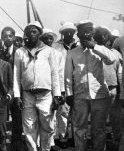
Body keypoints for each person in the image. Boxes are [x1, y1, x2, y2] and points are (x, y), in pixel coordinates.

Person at [65, 20, 116, 151]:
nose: (87, 33)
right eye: (83, 31)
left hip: (99, 95)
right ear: (78, 33)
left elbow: (111, 59)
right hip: (80, 96)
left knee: (98, 129)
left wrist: (94, 47)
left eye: (89, 30)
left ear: (93, 32)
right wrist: (69, 94)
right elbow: (68, 76)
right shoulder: (72, 52)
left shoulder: (100, 48)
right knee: (79, 129)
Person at [14, 21, 62, 151]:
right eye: (28, 31)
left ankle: (45, 149)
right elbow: (16, 75)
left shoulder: (48, 51)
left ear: (40, 34)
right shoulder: (20, 52)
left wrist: (56, 95)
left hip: (45, 95)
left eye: (34, 31)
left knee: (47, 126)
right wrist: (17, 95)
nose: (31, 34)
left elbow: (54, 74)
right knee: (29, 127)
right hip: (28, 95)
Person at [94, 26, 123, 149]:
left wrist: (121, 92)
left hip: (113, 89)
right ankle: (101, 145)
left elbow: (120, 74)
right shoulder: (92, 51)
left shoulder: (116, 53)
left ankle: (117, 140)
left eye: (105, 36)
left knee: (115, 117)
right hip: (97, 90)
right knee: (99, 120)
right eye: (100, 36)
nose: (103, 38)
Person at [51, 22, 78, 148]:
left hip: (77, 83)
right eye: (66, 31)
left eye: (71, 31)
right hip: (63, 83)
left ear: (74, 33)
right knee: (63, 112)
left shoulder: (78, 45)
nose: (68, 33)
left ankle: (76, 138)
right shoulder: (56, 46)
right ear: (62, 33)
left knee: (77, 113)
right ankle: (63, 138)